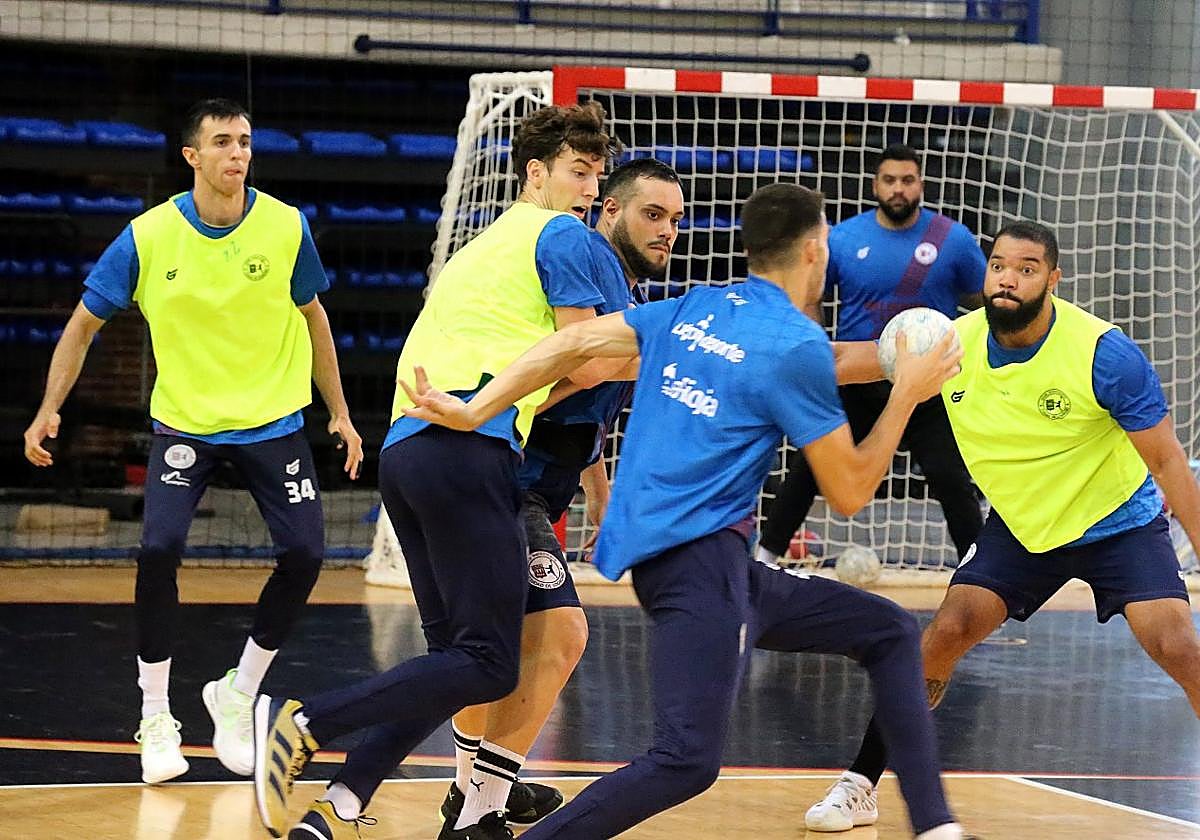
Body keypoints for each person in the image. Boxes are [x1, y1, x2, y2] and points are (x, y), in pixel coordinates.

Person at [400, 183, 972, 840]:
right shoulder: (792, 341)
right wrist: (905, 396)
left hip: (709, 565)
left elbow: (573, 344)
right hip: (701, 567)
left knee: (893, 631)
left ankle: (935, 827)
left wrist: (478, 407)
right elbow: (848, 492)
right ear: (816, 251)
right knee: (685, 761)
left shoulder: (697, 308)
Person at [250, 101, 625, 840]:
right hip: (467, 449)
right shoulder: (564, 238)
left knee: (460, 658)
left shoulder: (485, 246)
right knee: (489, 661)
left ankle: (343, 803)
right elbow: (589, 358)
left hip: (408, 451)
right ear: (537, 172)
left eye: (595, 177)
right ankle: (306, 720)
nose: (587, 190)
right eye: (578, 173)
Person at [804, 220, 1200, 833]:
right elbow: (845, 359)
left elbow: (1168, 458)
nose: (1008, 278)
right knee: (944, 634)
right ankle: (860, 784)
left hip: (1116, 521)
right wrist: (761, 353)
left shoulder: (1102, 352)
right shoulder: (948, 343)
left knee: (1178, 647)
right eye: (998, 266)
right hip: (1021, 527)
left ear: (1053, 279)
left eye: (1027, 268)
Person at [21, 98, 364, 786]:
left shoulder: (286, 227)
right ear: (192, 156)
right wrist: (48, 409)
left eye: (245, 142)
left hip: (273, 420)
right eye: (223, 143)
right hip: (186, 423)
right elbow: (82, 325)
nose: (238, 154)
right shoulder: (147, 237)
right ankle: (155, 714)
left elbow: (316, 319)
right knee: (157, 548)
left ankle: (237, 692)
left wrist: (342, 414)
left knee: (306, 552)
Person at [438, 157, 686, 833]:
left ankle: (473, 788)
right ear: (608, 211)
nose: (666, 232)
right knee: (560, 633)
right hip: (499, 478)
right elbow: (545, 383)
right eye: (651, 214)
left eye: (675, 220)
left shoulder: (620, 301)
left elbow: (590, 408)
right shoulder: (573, 279)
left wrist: (600, 492)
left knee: (497, 648)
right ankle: (477, 812)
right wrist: (624, 358)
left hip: (531, 489)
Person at [758, 143, 985, 567]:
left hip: (929, 386)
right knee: (812, 466)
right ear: (875, 185)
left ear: (921, 184)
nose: (899, 189)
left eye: (907, 180)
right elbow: (811, 297)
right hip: (859, 382)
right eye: (890, 180)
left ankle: (978, 569)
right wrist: (815, 349)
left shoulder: (952, 240)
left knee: (949, 474)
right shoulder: (844, 238)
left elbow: (985, 303)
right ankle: (766, 555)